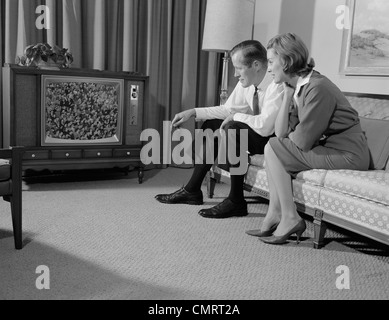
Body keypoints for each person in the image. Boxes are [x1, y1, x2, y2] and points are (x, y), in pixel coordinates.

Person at [246, 33, 370, 244]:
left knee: (274, 147)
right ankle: (276, 213)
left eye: (270, 61)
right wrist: (286, 96)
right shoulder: (298, 88)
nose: (268, 68)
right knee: (273, 146)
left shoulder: (317, 88)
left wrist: (291, 134)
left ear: (285, 61)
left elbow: (301, 141)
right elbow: (281, 132)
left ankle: (289, 217)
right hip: (330, 149)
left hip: (349, 155)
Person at [155, 40, 284, 219]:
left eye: (238, 68)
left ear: (255, 65)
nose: (234, 73)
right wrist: (193, 112)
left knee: (234, 128)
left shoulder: (276, 85)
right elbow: (227, 110)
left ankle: (236, 201)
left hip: (273, 139)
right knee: (214, 123)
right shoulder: (247, 83)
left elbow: (265, 126)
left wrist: (236, 117)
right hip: (259, 133)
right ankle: (192, 190)